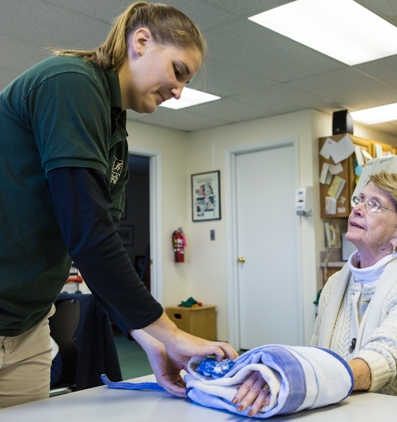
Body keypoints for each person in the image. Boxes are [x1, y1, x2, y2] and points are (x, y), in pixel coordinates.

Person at [0, 1, 237, 408]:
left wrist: (153, 344)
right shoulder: (70, 81)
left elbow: (99, 252)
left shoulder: (116, 139)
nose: (179, 92)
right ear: (141, 42)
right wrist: (173, 332)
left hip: (29, 325)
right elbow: (87, 231)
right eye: (178, 71)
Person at [233, 171, 397, 417]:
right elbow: (317, 352)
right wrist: (280, 373)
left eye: (374, 205)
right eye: (359, 200)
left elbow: (386, 358)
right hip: (351, 409)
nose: (358, 209)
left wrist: (299, 378)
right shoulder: (336, 283)